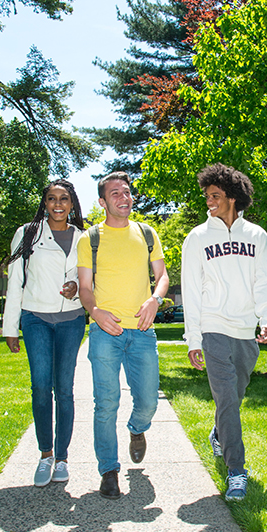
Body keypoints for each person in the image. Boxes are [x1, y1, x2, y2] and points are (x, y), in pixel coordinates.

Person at [181, 163, 267, 502]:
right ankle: (236, 471)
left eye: (215, 196)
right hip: (212, 328)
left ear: (233, 197)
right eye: (207, 195)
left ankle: (218, 432)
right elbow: (192, 290)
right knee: (226, 398)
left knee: (233, 399)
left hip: (244, 329)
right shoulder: (197, 238)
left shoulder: (257, 237)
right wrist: (194, 338)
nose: (209, 201)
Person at [76, 172, 169, 499]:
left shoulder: (146, 233)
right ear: (103, 202)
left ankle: (137, 429)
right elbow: (85, 288)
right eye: (115, 193)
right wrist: (95, 312)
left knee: (147, 401)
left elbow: (162, 276)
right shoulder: (90, 239)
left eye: (127, 192)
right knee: (106, 403)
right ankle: (109, 470)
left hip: (142, 332)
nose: (124, 198)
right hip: (104, 333)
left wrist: (155, 300)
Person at [2, 179, 86, 487]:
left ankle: (62, 458)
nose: (58, 204)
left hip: (71, 320)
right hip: (35, 318)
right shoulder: (27, 234)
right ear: (45, 203)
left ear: (72, 203)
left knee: (64, 389)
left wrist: (76, 287)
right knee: (41, 387)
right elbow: (15, 283)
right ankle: (45, 455)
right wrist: (10, 327)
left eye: (64, 199)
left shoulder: (83, 238)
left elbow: (87, 278)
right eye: (52, 198)